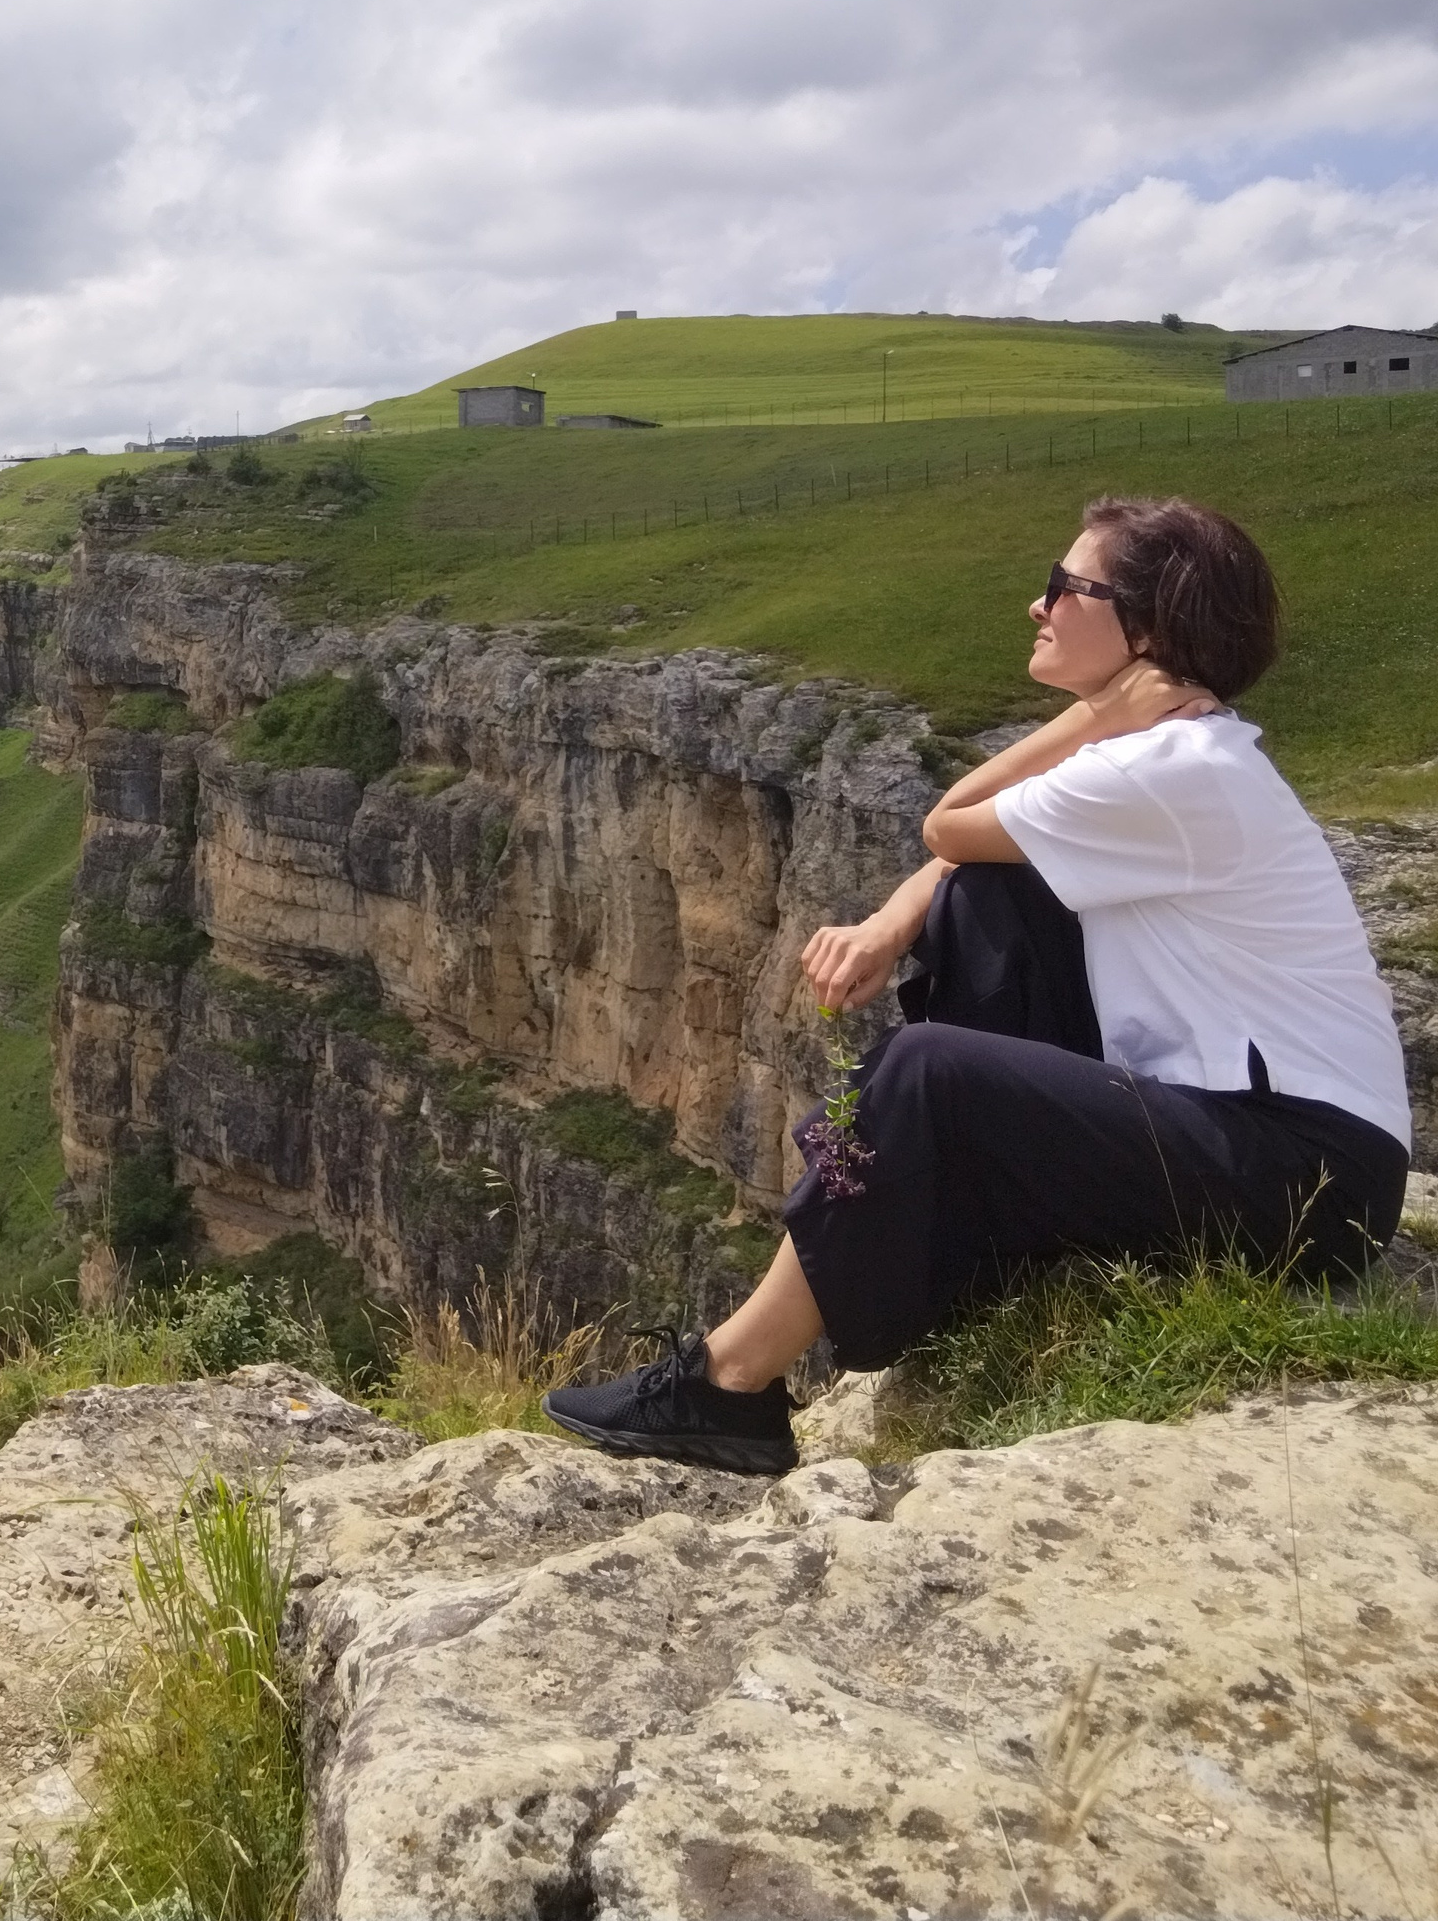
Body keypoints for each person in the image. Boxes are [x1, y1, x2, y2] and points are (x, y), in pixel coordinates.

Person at [546, 494, 1415, 1476]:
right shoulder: (1178, 758)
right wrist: (889, 921)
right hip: (1255, 1136)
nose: (1033, 606)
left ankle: (729, 1382)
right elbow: (976, 857)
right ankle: (951, 1226)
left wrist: (1089, 714)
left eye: (1063, 588)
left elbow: (951, 818)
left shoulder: (1173, 769)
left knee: (920, 1068)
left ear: (1150, 629)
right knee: (985, 899)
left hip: (1304, 1176)